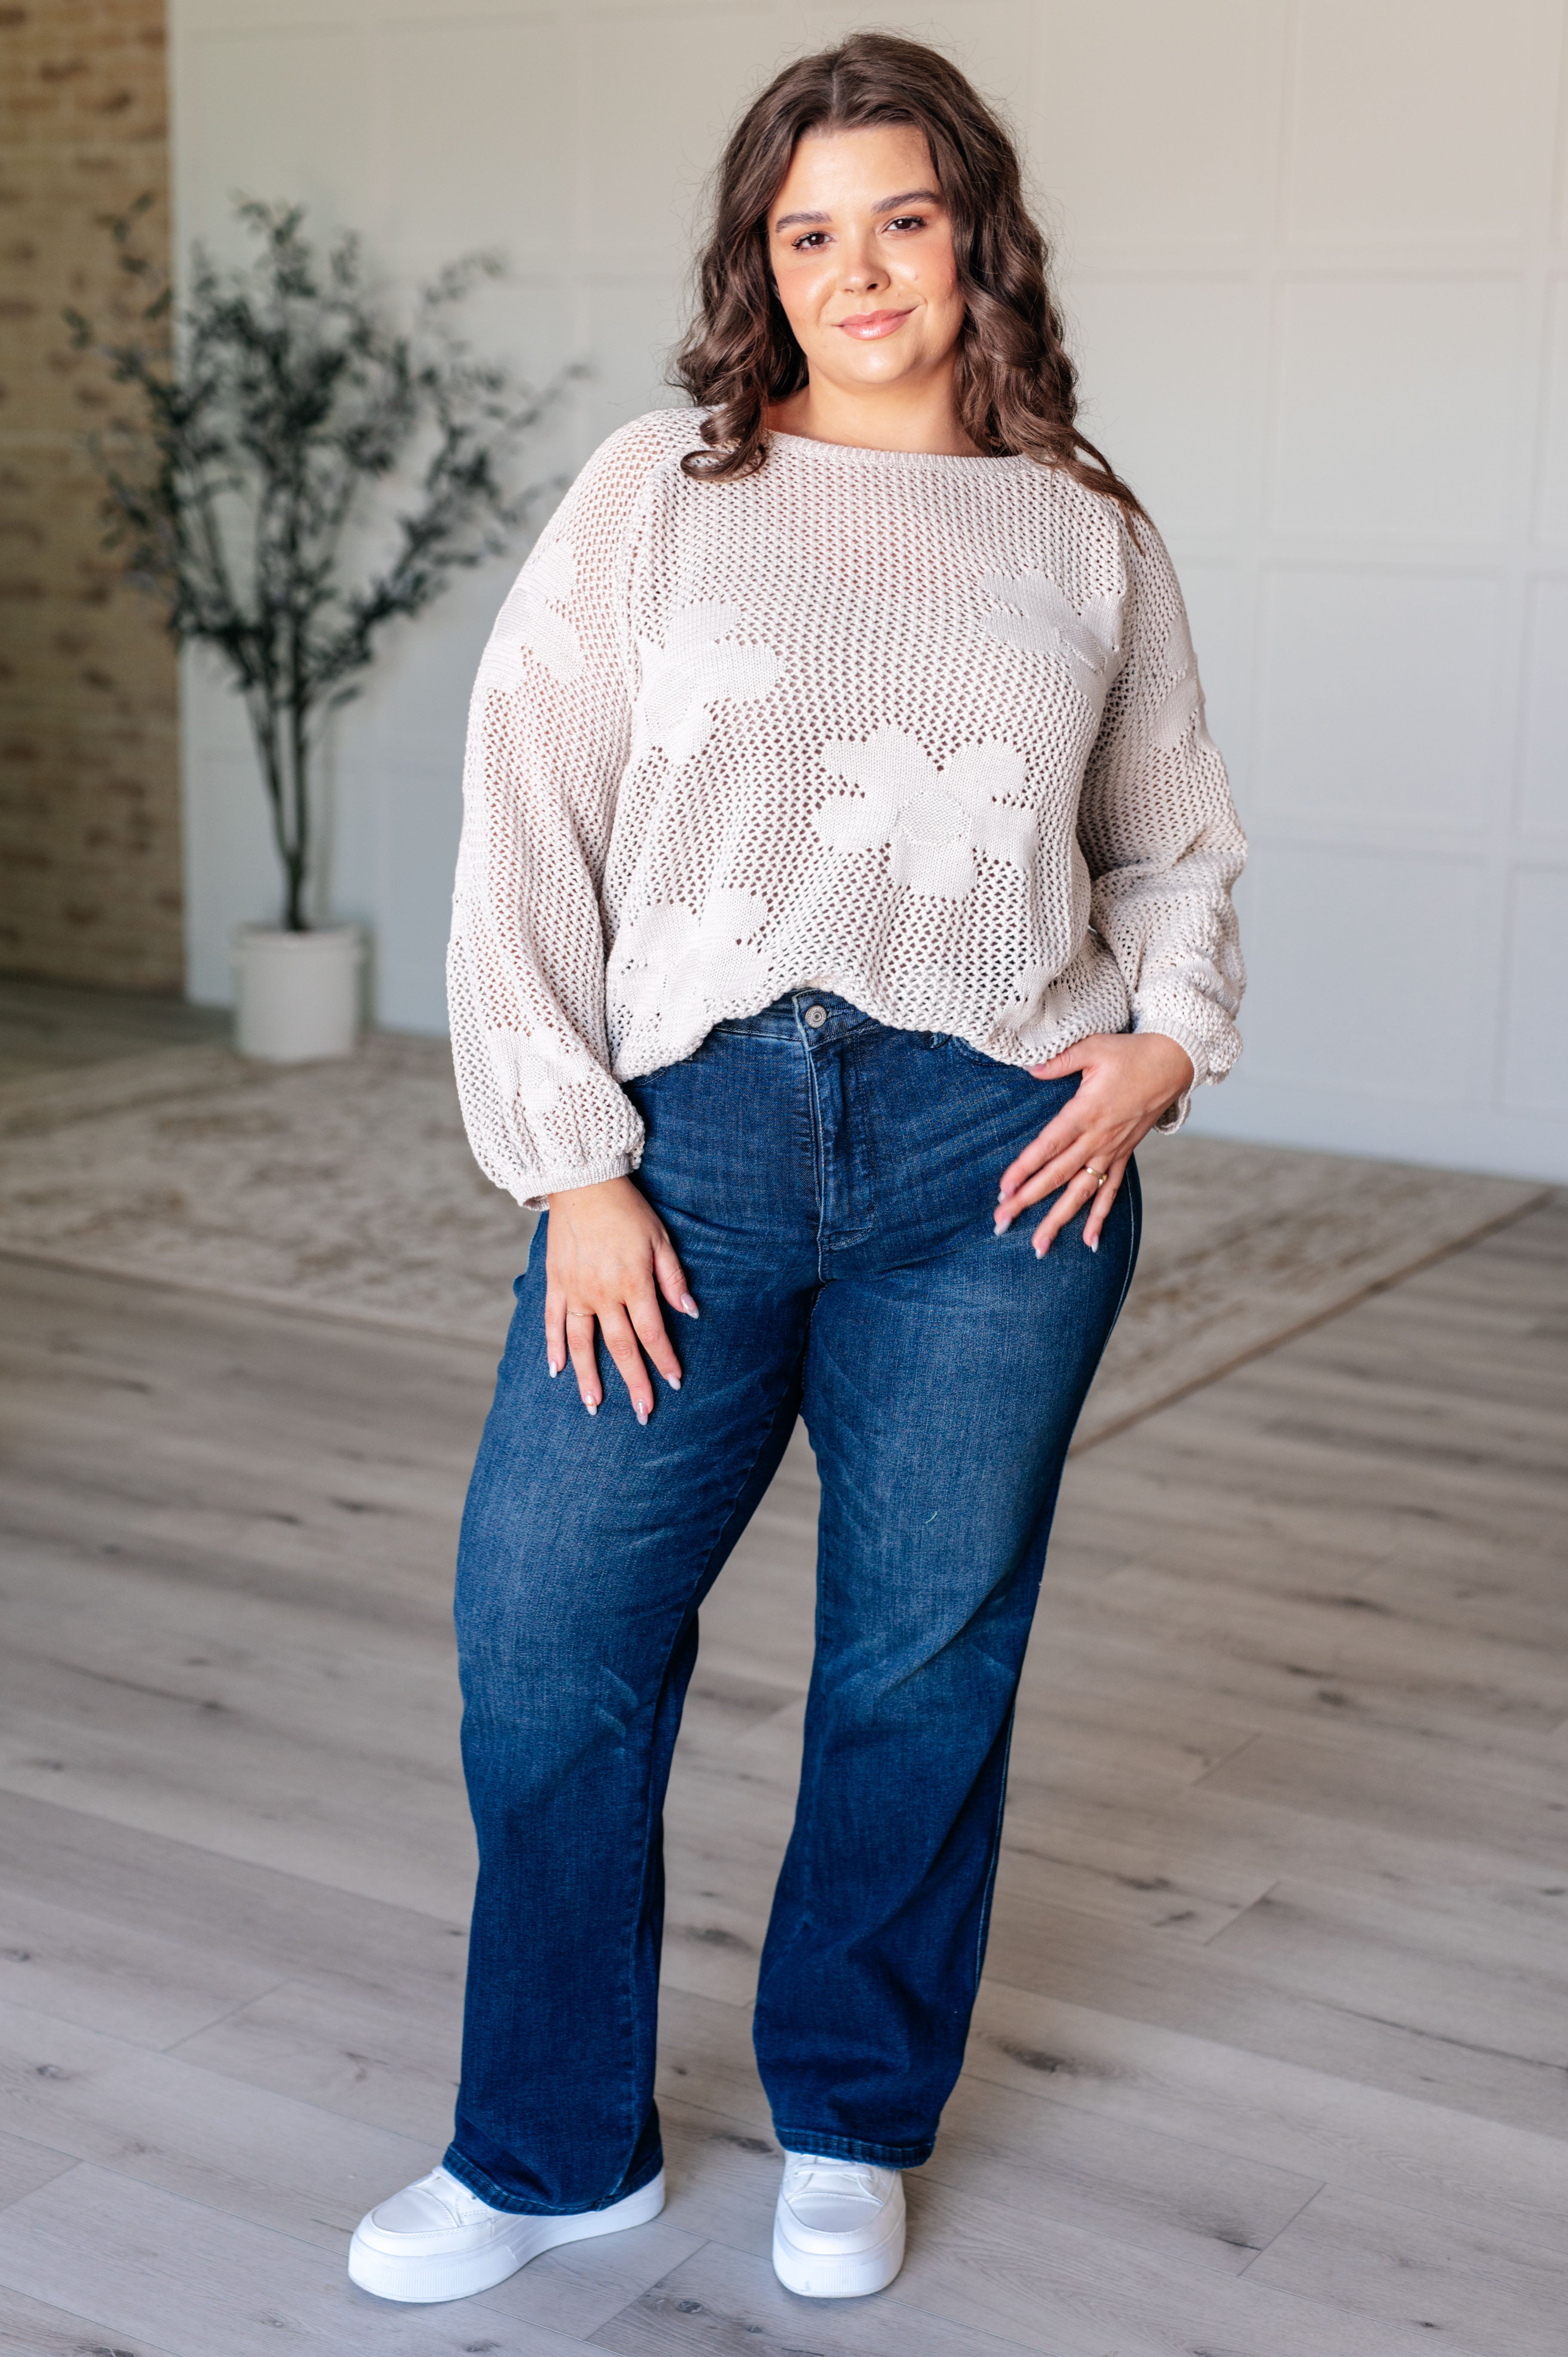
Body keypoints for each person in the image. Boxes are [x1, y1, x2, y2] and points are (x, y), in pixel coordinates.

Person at [348, 29, 1244, 2309]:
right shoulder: (661, 490)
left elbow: (1174, 842)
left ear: (974, 241)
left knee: (919, 1662)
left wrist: (1163, 1042)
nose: (860, 273)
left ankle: (851, 2113)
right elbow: (525, 819)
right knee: (546, 1642)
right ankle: (551, 2150)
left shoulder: (1086, 525)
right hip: (689, 1150)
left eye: (902, 222)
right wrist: (570, 1167)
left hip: (997, 1162)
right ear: (764, 262)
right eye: (810, 231)